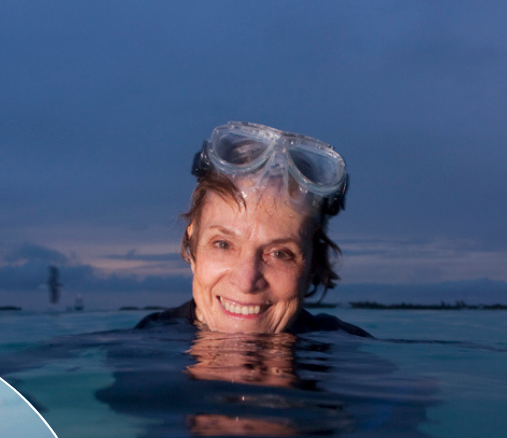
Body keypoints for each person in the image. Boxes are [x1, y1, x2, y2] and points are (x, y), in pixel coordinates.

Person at [136, 121, 370, 337]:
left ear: (314, 264)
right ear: (193, 247)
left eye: (280, 253)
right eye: (223, 244)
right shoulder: (144, 348)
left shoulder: (347, 350)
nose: (247, 281)